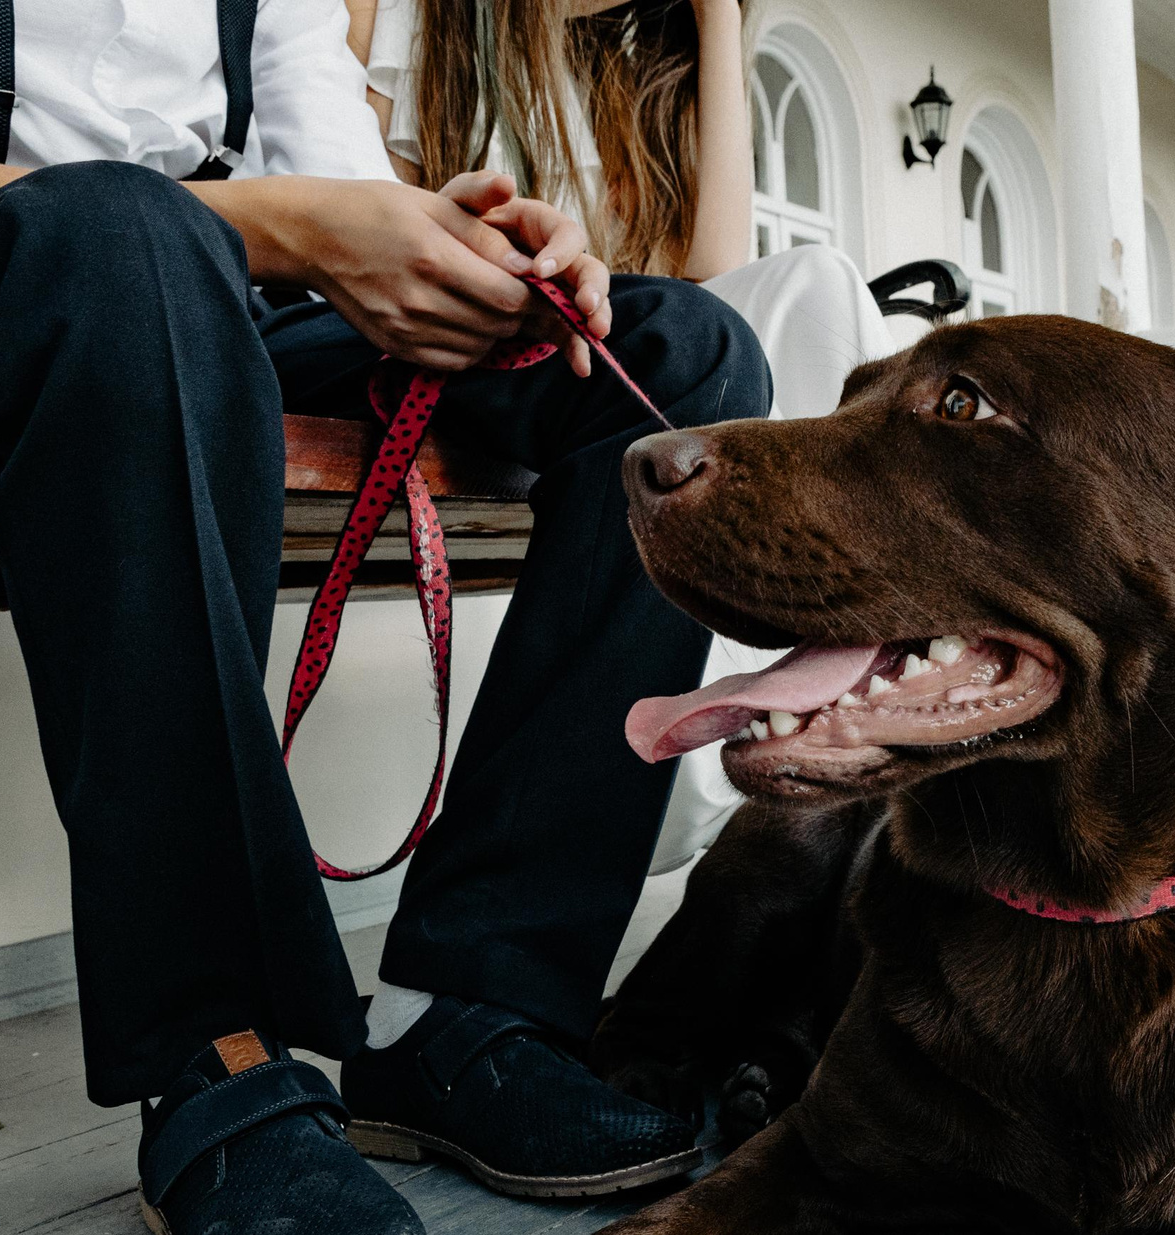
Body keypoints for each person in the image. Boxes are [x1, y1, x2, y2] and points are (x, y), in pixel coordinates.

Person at [0, 0, 772, 1235]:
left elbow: (335, 192)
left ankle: (484, 1007)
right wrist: (280, 228)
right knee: (121, 236)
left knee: (679, 354)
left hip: (232, 305)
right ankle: (219, 1054)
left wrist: (469, 263)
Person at [348, 0, 898, 876]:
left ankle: (837, 702)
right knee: (699, 351)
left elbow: (717, 279)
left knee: (817, 284)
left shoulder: (634, 60)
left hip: (628, 358)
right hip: (473, 350)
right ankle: (747, 765)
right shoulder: (425, 22)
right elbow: (370, 233)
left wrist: (720, 23)